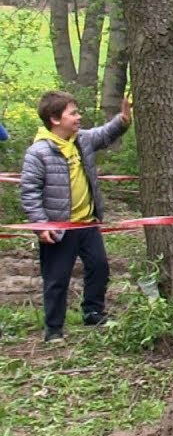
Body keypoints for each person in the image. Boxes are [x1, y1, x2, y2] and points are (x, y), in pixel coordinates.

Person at [20, 91, 132, 343]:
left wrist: (123, 119)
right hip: (59, 228)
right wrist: (41, 226)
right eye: (73, 113)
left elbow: (105, 133)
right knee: (57, 279)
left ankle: (93, 313)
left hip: (87, 223)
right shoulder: (38, 152)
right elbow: (30, 193)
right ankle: (54, 329)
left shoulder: (81, 140)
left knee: (99, 267)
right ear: (55, 119)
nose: (79, 117)